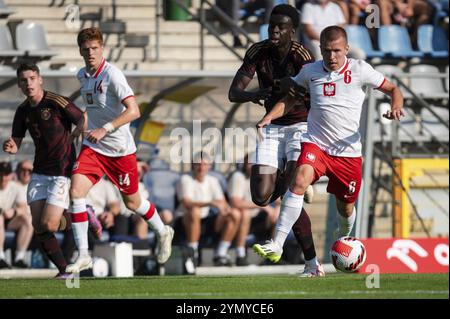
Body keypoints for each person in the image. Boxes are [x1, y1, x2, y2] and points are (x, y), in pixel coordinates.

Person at [253, 26, 404, 264]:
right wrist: (269, 116)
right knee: (299, 180)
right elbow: (291, 97)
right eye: (326, 51)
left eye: (336, 51)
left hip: (348, 152)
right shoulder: (310, 71)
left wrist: (395, 105)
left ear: (346, 49)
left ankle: (343, 237)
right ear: (320, 49)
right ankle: (277, 243)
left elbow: (393, 88)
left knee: (345, 210)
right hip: (317, 144)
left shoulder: (360, 70)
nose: (331, 57)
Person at [66, 27, 174, 273]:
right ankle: (83, 254)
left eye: (94, 48)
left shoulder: (113, 75)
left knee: (133, 202)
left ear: (102, 48)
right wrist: (81, 126)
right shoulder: (83, 75)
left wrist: (105, 128)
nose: (90, 53)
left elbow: (134, 111)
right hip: (93, 147)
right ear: (80, 51)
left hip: (119, 151)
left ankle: (162, 230)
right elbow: (91, 107)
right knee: (76, 191)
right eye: (86, 49)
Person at [228, 4, 323, 276]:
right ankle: (298, 186)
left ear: (293, 31)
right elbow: (234, 92)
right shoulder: (258, 52)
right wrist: (259, 92)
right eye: (272, 25)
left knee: (290, 192)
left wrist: (290, 90)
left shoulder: (302, 55)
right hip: (271, 128)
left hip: (301, 127)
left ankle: (310, 263)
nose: (275, 30)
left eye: (281, 26)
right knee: (261, 196)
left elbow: (315, 95)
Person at [2, 63, 88, 277]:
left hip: (62, 170)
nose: (28, 83)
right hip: (39, 172)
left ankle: (84, 215)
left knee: (49, 222)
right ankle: (64, 270)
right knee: (39, 226)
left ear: (40, 79)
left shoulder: (56, 101)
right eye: (24, 80)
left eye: (32, 78)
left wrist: (77, 133)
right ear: (20, 84)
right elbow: (17, 140)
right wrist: (12, 145)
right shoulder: (22, 111)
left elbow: (83, 118)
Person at [175, 151, 241, 268]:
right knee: (194, 211)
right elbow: (187, 203)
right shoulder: (185, 179)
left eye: (205, 164)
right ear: (192, 165)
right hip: (184, 222)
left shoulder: (213, 181)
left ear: (209, 166)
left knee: (235, 214)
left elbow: (222, 203)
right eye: (198, 164)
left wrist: (226, 210)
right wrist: (210, 203)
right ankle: (193, 252)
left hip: (206, 220)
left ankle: (221, 253)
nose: (201, 168)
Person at [228, 153, 280, 266]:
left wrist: (277, 208)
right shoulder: (238, 177)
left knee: (278, 215)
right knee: (245, 214)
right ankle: (240, 255)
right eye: (250, 163)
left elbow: (278, 199)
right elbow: (236, 203)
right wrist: (264, 206)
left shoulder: (264, 177)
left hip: (259, 218)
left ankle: (273, 254)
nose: (252, 166)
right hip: (242, 219)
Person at [0, 161, 33, 269]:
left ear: (10, 175)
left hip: (8, 221)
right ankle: (0, 257)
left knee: (28, 219)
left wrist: (13, 212)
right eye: (1, 173)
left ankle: (19, 258)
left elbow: (23, 207)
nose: (3, 177)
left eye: (6, 174)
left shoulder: (15, 186)